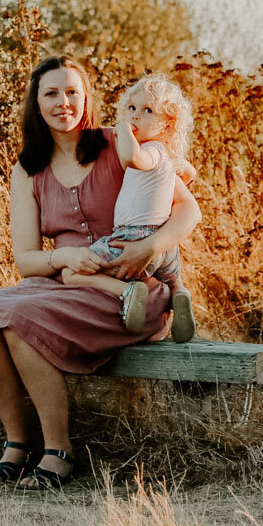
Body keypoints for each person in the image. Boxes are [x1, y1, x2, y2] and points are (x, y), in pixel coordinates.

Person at [0, 55, 202, 491]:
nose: (64, 102)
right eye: (51, 93)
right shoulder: (27, 170)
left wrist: (150, 246)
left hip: (130, 290)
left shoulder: (120, 144)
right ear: (36, 105)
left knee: (20, 323)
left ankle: (58, 450)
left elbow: (188, 209)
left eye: (73, 91)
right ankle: (17, 444)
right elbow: (27, 260)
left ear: (87, 98)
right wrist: (64, 259)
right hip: (61, 281)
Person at [60, 73, 197, 344]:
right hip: (165, 246)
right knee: (172, 280)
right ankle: (179, 294)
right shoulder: (166, 156)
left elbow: (131, 159)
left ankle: (126, 292)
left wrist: (123, 130)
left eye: (148, 111)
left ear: (168, 126)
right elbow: (190, 172)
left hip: (131, 238)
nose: (135, 115)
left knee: (69, 273)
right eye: (132, 108)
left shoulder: (152, 151)